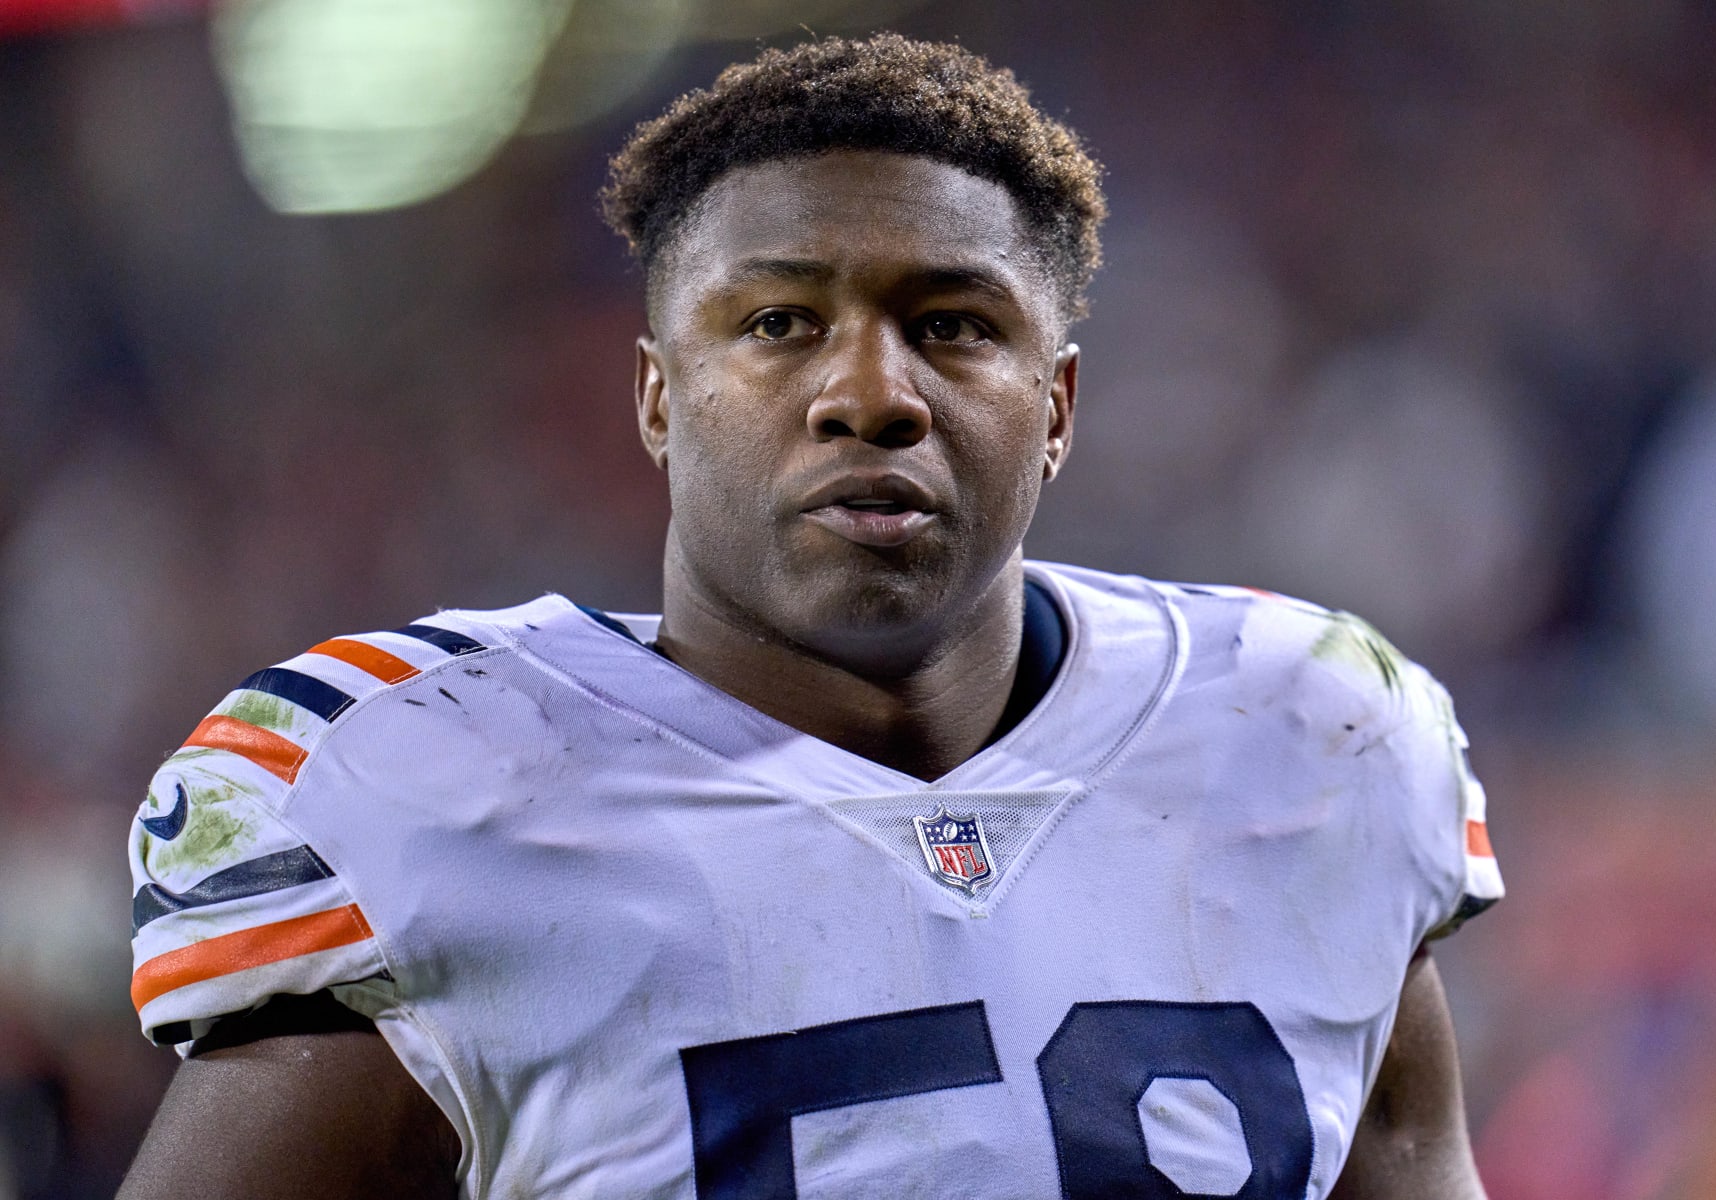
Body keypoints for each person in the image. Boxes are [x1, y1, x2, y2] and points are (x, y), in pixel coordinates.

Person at [118, 34, 1502, 1199]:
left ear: (1060, 406)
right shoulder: (418, 785)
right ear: (660, 398)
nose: (871, 394)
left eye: (954, 323)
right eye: (780, 322)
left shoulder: (1306, 735)